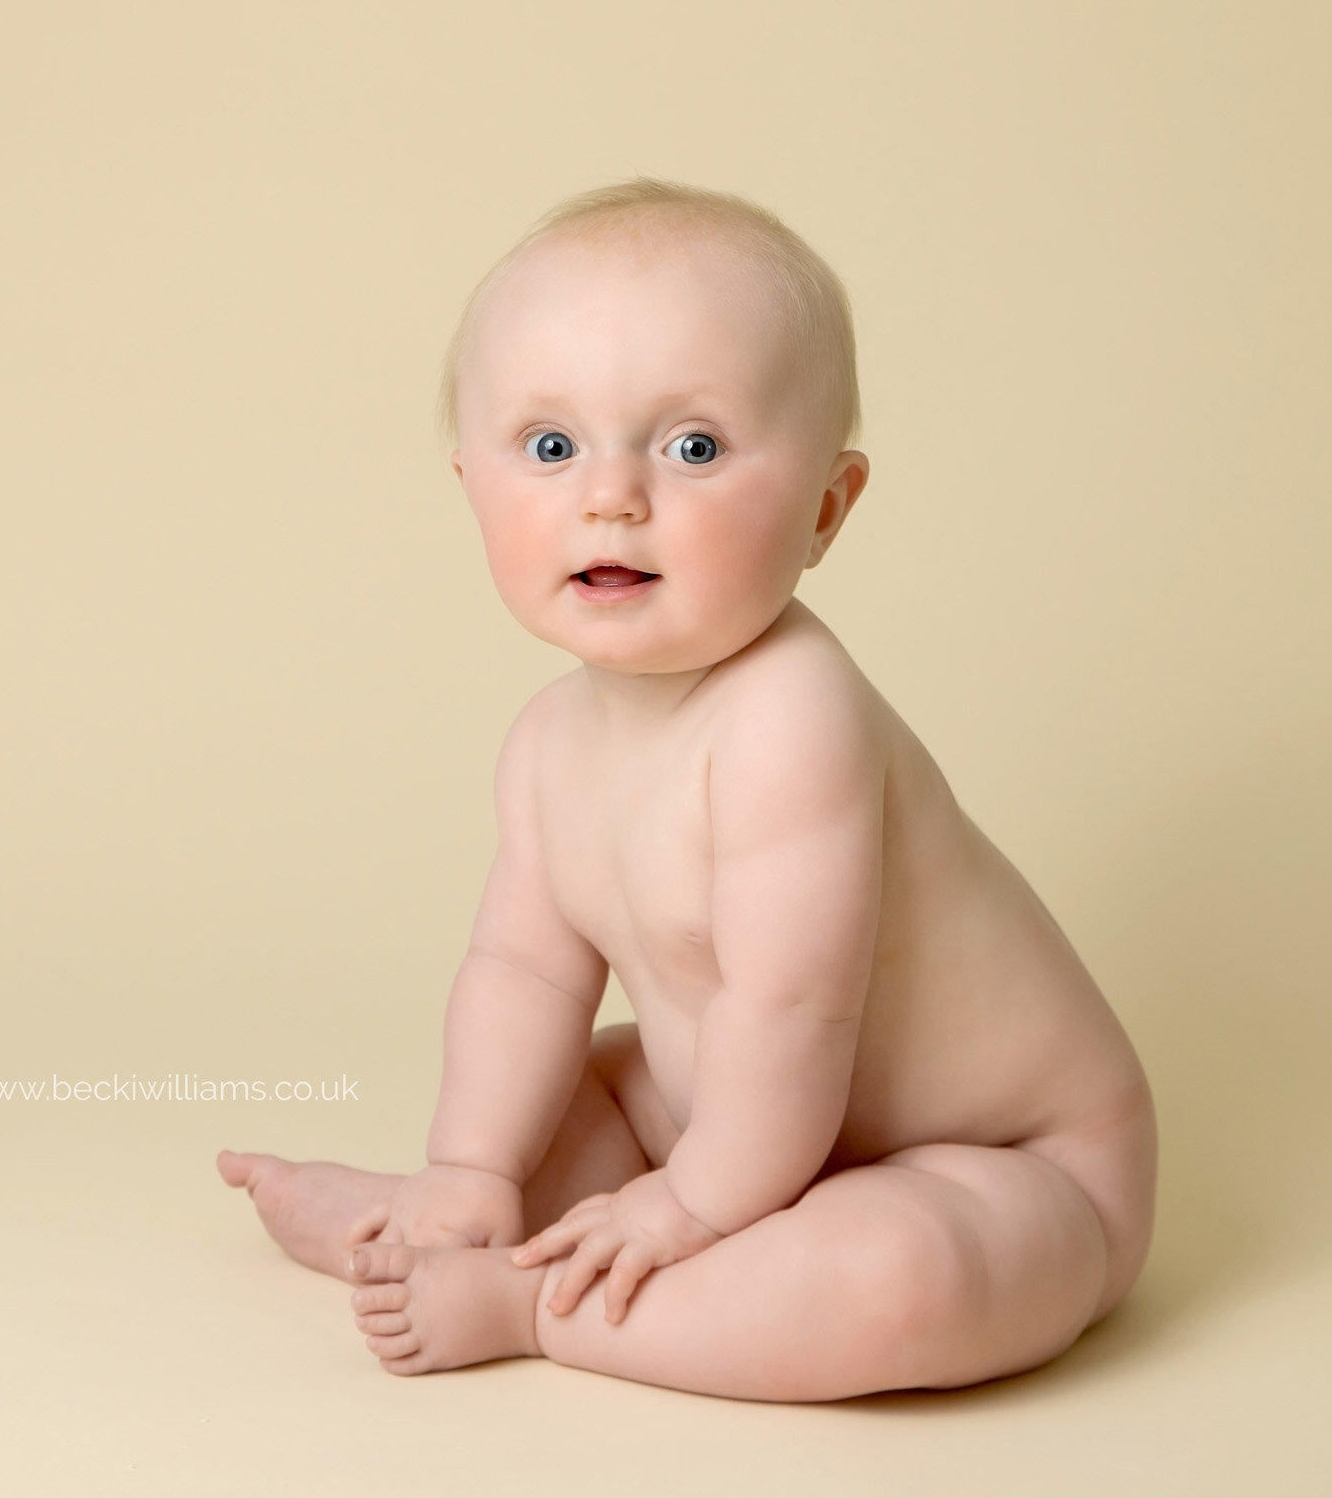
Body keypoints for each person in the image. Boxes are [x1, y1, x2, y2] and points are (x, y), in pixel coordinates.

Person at [218, 178, 1155, 1401]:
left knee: (892, 1276)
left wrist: (691, 1203)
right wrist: (471, 1164)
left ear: (825, 507)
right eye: (549, 447)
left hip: (1003, 1165)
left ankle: (530, 1309)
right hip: (736, 1121)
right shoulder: (547, 742)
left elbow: (790, 1012)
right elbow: (524, 973)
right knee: (574, 1094)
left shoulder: (791, 715)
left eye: (692, 447)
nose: (609, 495)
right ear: (470, 488)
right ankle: (428, 1222)